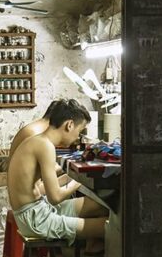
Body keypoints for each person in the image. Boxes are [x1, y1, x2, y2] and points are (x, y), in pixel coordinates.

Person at [7, 100, 106, 247]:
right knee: (107, 225)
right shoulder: (45, 146)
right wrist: (79, 181)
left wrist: (73, 176)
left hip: (37, 209)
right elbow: (55, 197)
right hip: (35, 220)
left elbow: (50, 184)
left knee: (98, 205)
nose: (77, 137)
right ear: (69, 125)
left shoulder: (39, 141)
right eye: (79, 131)